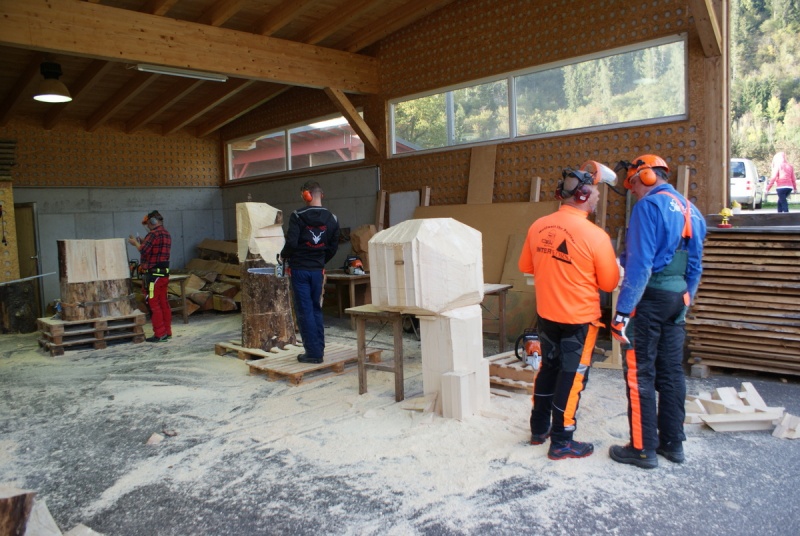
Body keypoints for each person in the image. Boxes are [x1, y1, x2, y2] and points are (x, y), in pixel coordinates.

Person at [609, 154, 706, 469]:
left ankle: (642, 449)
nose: (634, 191)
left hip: (650, 297)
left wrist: (623, 312)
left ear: (647, 176)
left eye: (633, 184)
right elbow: (695, 267)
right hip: (678, 298)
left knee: (640, 373)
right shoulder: (692, 211)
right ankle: (673, 444)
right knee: (671, 371)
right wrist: (685, 300)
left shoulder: (648, 207)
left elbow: (640, 265)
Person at [518, 161, 620, 461]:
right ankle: (562, 441)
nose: (599, 196)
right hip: (579, 320)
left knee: (548, 370)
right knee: (572, 378)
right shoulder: (596, 236)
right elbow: (609, 283)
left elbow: (526, 266)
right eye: (597, 192)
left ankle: (539, 429)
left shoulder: (538, 226)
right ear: (583, 196)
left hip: (547, 316)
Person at [280, 181, 340, 364]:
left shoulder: (297, 216)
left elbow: (291, 243)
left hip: (299, 270)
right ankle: (318, 348)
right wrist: (320, 261)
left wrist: (283, 256)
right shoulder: (332, 218)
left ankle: (313, 354)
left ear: (306, 195)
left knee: (304, 310)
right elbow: (333, 247)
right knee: (315, 309)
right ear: (321, 195)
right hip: (317, 271)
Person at [128, 210, 172, 343]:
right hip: (163, 274)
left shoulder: (153, 234)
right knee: (163, 302)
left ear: (152, 221)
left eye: (148, 224)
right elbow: (153, 247)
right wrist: (143, 241)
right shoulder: (166, 233)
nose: (147, 226)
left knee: (153, 303)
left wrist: (135, 243)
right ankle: (167, 332)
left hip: (153, 276)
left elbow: (143, 250)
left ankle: (160, 334)